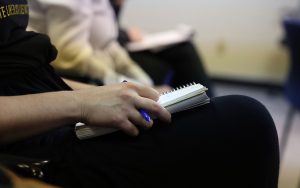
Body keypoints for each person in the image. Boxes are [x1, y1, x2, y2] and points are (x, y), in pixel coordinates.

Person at [1, 0, 279, 187]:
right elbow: (73, 54)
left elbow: (32, 70)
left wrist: (119, 90)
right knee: (246, 123)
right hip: (29, 129)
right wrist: (82, 103)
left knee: (227, 117)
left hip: (47, 92)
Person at [27, 0, 171, 93]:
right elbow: (70, 57)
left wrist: (142, 80)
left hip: (90, 65)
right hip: (56, 72)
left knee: (166, 65)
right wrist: (128, 85)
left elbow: (107, 41)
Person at [110, 0, 214, 96]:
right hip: (111, 51)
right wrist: (126, 34)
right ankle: (199, 105)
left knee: (184, 48)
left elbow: (111, 25)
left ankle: (203, 102)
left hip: (118, 45)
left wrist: (117, 6)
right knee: (165, 65)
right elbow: (103, 33)